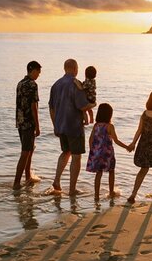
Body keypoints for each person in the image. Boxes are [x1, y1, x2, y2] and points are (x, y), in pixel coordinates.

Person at [49, 59, 94, 195]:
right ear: (75, 68)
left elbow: (51, 108)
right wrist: (93, 105)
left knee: (65, 152)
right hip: (73, 126)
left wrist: (55, 125)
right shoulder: (76, 84)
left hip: (60, 125)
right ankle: (72, 189)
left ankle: (57, 180)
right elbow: (82, 105)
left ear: (65, 68)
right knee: (76, 156)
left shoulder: (56, 85)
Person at [126, 90, 152, 204]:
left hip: (143, 145)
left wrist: (133, 143)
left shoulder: (144, 114)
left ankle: (133, 194)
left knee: (143, 170)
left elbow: (139, 130)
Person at [86, 103, 132, 201]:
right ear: (109, 115)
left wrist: (92, 151)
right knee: (111, 171)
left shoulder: (96, 125)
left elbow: (90, 139)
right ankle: (111, 192)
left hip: (97, 153)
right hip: (107, 153)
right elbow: (116, 141)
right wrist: (127, 147)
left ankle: (96, 195)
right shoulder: (110, 126)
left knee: (99, 174)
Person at [14, 60, 42, 189]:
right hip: (28, 123)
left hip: (20, 121)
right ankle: (16, 183)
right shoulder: (32, 85)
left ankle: (28, 178)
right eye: (38, 72)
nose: (39, 75)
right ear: (33, 70)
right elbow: (34, 107)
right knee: (25, 152)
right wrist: (37, 125)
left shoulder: (20, 83)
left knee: (29, 150)